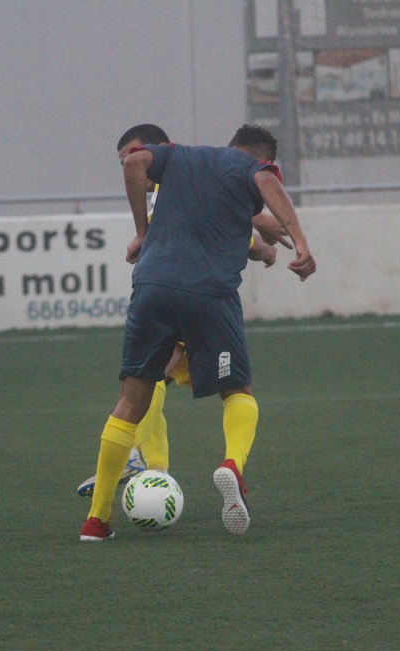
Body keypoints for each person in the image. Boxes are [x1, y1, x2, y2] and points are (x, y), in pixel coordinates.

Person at [80, 124, 316, 541]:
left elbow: (135, 163)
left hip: (152, 288)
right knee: (237, 391)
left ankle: (96, 521)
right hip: (208, 295)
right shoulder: (249, 169)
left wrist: (142, 232)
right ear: (263, 159)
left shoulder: (181, 157)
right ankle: (231, 466)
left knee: (132, 398)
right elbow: (263, 182)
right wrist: (300, 241)